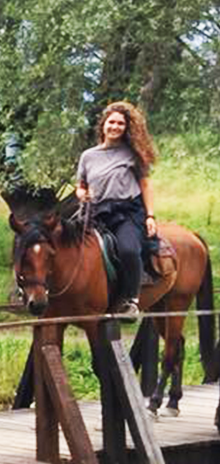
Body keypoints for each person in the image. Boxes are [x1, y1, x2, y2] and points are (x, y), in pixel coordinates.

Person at [75, 101, 158, 321]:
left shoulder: (132, 154)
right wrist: (81, 194)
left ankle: (131, 301)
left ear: (126, 127)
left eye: (121, 123)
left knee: (129, 250)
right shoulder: (88, 156)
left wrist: (150, 216)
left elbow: (145, 186)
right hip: (95, 214)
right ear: (103, 125)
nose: (116, 127)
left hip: (127, 213)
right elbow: (80, 185)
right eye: (112, 122)